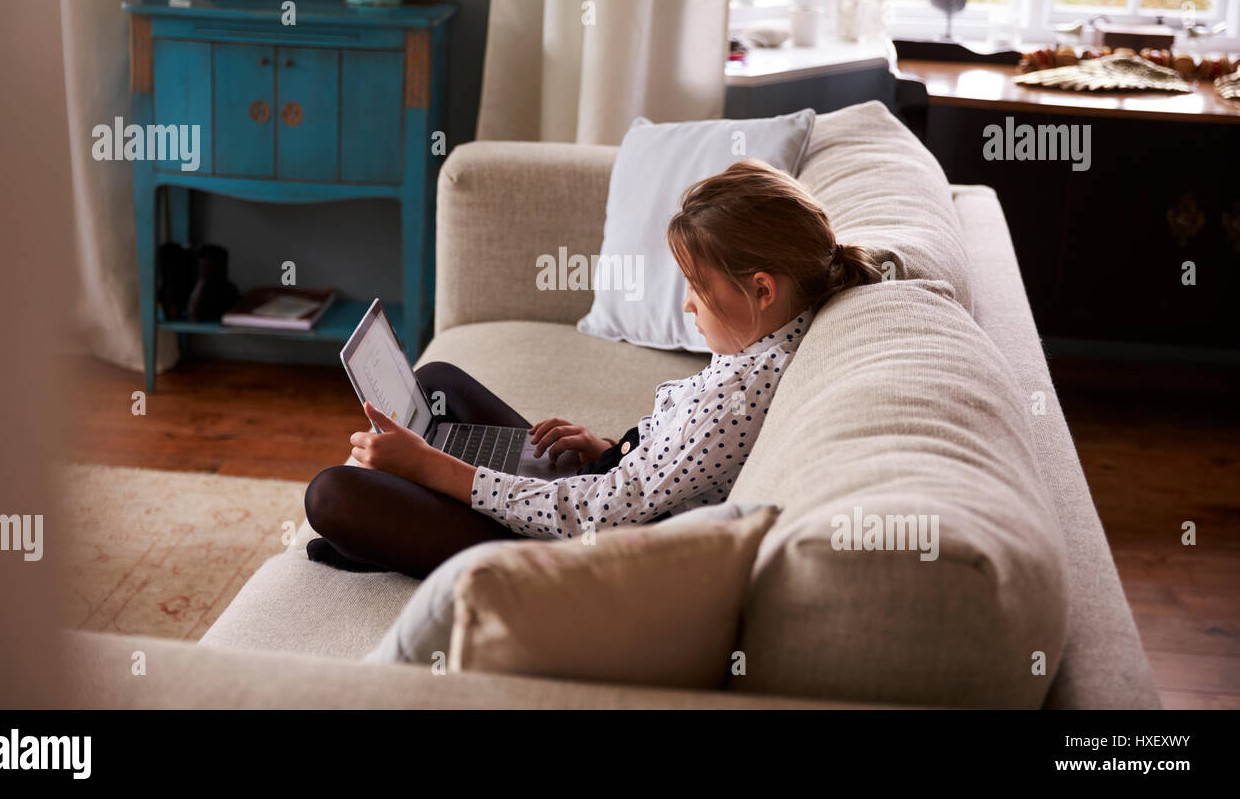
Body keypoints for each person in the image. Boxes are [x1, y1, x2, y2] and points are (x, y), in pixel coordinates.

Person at [304, 159, 882, 578]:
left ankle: (403, 519)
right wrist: (608, 449)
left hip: (580, 549)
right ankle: (410, 506)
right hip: (604, 488)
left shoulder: (742, 393)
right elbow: (672, 471)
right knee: (439, 384)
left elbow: (595, 517)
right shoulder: (765, 342)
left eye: (697, 291)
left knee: (332, 495)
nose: (686, 306)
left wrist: (436, 470)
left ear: (761, 289)